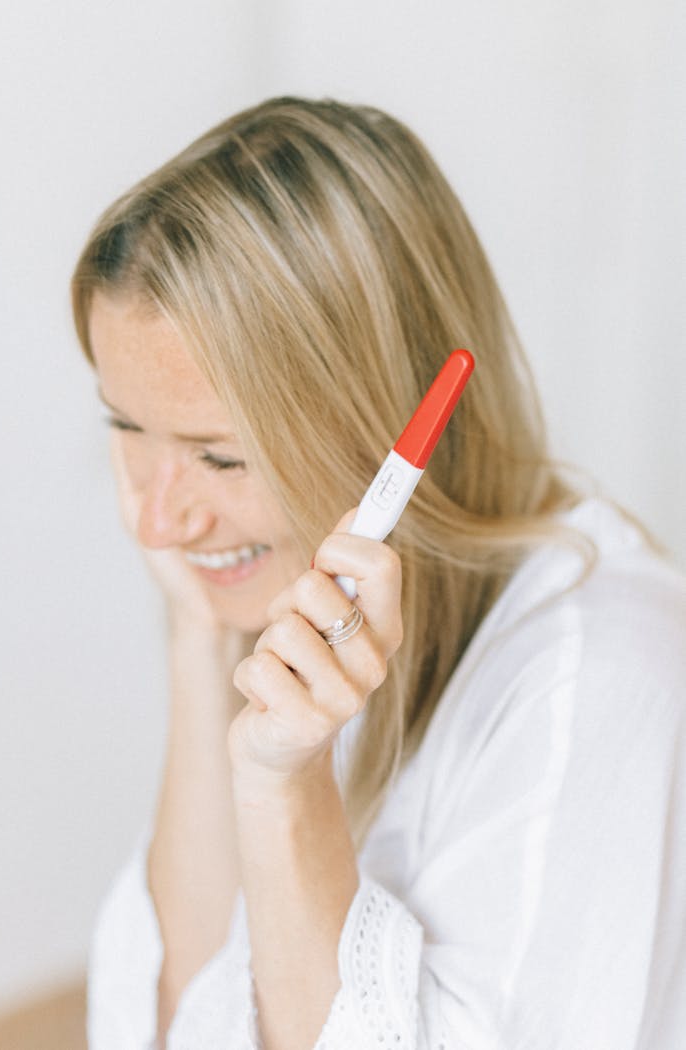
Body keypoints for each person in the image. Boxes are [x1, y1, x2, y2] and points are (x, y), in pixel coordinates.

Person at [70, 96, 686, 1050]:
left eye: (220, 458)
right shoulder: (288, 610)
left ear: (390, 425)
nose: (158, 519)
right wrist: (200, 645)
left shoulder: (600, 680)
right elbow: (159, 1027)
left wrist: (287, 787)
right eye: (127, 430)